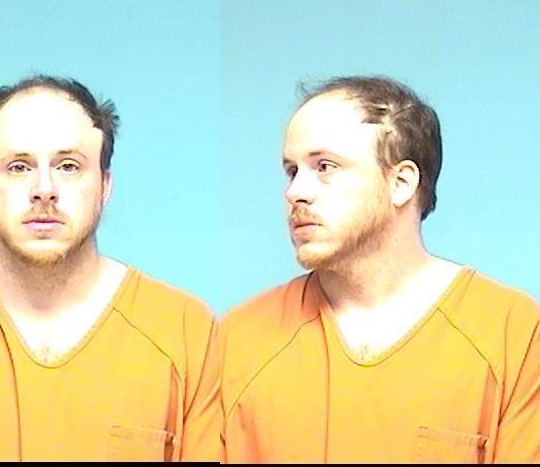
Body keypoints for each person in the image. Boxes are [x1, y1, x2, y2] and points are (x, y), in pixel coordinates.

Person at [219, 76, 540, 463]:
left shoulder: (513, 333)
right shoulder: (236, 341)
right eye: (292, 171)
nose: (295, 192)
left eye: (325, 166)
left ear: (401, 183)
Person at [0, 75, 219, 461]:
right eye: (18, 167)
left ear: (105, 186)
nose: (44, 189)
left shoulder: (186, 332)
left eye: (68, 166)